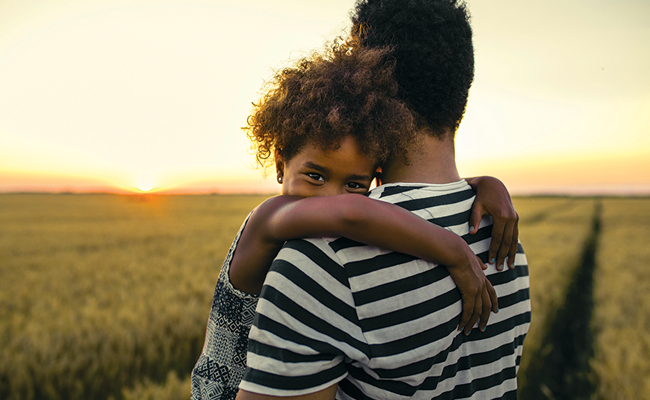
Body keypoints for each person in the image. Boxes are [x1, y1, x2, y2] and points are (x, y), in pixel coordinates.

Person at [192, 41, 520, 399]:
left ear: (374, 181)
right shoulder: (266, 219)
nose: (330, 197)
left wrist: (485, 183)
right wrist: (454, 251)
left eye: (354, 184)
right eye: (315, 176)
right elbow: (350, 214)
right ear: (281, 163)